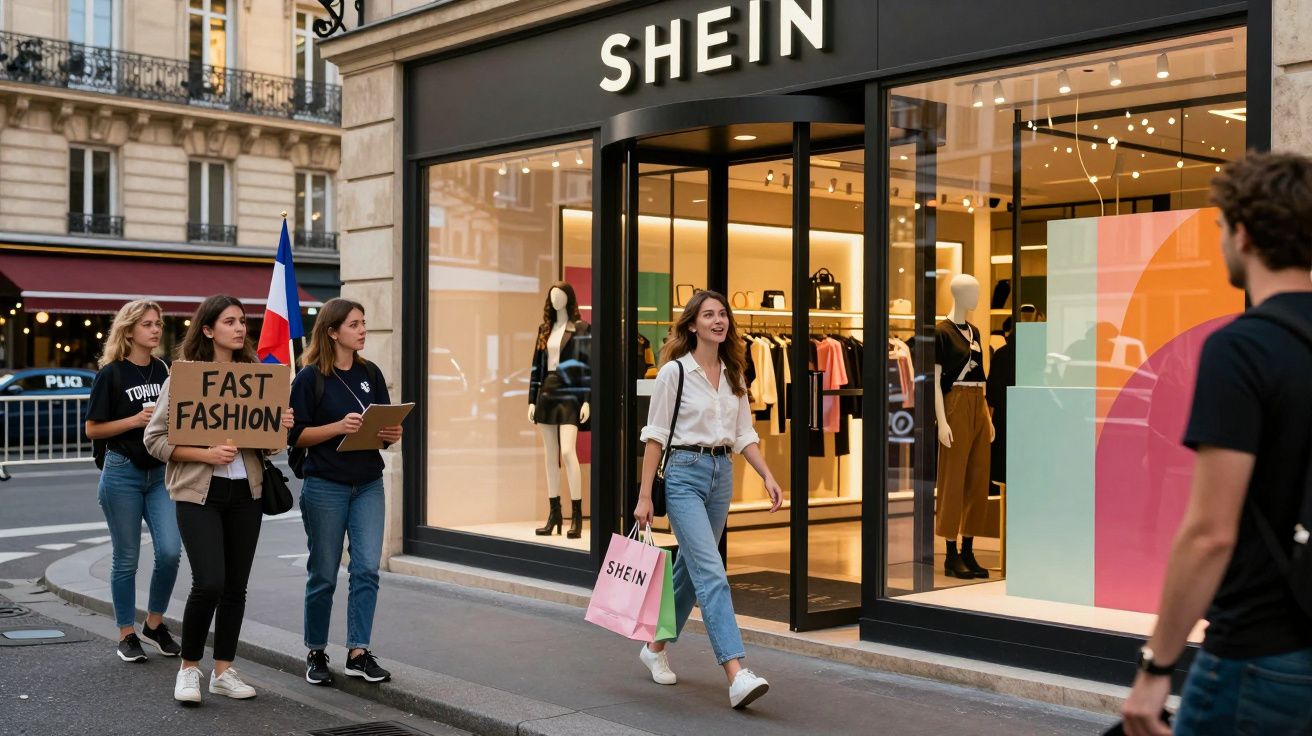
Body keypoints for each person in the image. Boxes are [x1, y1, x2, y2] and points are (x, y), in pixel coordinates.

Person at [1121, 152, 1312, 735]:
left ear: (1245, 235)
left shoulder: (1243, 348)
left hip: (1259, 652)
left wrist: (1158, 666)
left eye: (1221, 227)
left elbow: (1210, 532)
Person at [633, 289, 784, 710]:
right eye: (708, 315)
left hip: (721, 477)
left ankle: (655, 648)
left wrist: (768, 475)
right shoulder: (674, 373)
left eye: (723, 315)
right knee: (712, 572)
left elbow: (743, 436)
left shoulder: (736, 373)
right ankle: (736, 673)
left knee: (689, 571)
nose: (718, 321)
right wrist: (645, 496)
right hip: (682, 475)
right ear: (692, 324)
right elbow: (655, 436)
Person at [144, 295, 295, 705]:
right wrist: (205, 453)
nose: (240, 327)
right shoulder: (186, 378)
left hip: (247, 493)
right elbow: (154, 439)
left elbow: (269, 448)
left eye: (243, 321)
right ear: (208, 329)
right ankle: (189, 669)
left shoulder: (256, 377)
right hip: (198, 493)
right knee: (208, 582)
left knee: (235, 587)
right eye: (229, 321)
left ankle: (223, 671)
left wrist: (279, 427)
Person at [289, 298, 401, 686]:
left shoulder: (371, 371)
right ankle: (316, 650)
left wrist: (390, 434)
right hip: (325, 486)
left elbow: (383, 428)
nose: (363, 330)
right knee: (323, 573)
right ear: (333, 331)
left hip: (368, 482)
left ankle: (358, 651)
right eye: (355, 324)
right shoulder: (309, 378)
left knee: (367, 568)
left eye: (364, 323)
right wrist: (337, 427)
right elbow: (295, 435)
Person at [84, 299, 181, 662]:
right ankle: (126, 632)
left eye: (158, 323)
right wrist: (134, 421)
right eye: (148, 324)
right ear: (129, 330)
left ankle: (154, 624)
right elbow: (92, 428)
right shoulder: (111, 374)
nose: (156, 330)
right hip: (122, 470)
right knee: (126, 558)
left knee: (170, 552)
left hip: (160, 472)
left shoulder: (165, 370)